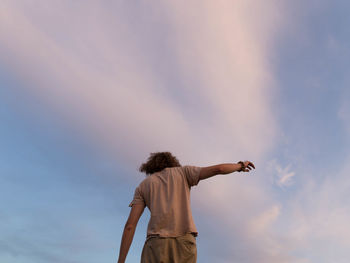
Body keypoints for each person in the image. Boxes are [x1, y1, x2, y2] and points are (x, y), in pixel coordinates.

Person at [117, 152, 255, 263]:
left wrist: (121, 261)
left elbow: (130, 225)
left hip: (155, 245)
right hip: (184, 242)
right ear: (172, 162)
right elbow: (219, 169)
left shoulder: (143, 186)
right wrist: (240, 166)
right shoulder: (183, 172)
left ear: (151, 166)